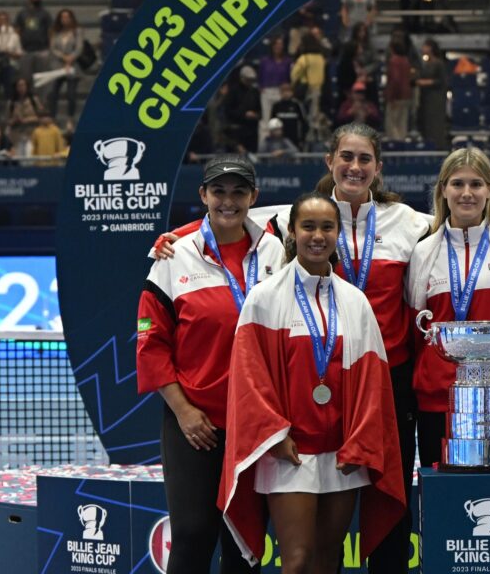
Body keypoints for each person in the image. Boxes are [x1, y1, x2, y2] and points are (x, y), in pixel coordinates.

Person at [152, 123, 431, 574]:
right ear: (330, 162)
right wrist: (175, 240)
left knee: (349, 545)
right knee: (270, 550)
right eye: (346, 157)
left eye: (364, 159)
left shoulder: (413, 224)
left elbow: (467, 218)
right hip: (292, 419)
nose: (354, 167)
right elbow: (228, 216)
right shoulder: (282, 221)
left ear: (378, 167)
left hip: (372, 399)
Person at [219, 191, 406, 573]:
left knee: (326, 560)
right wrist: (274, 435)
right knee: (298, 560)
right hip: (288, 452)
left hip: (343, 454)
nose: (317, 235)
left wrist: (359, 442)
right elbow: (248, 378)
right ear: (292, 231)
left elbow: (374, 385)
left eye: (326, 227)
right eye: (308, 226)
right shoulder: (265, 298)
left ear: (338, 233)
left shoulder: (355, 302)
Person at [136, 155, 285, 574]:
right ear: (203, 195)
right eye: (218, 191)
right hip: (195, 422)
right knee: (192, 532)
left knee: (244, 542)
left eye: (239, 192)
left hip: (255, 423)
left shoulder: (277, 250)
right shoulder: (172, 257)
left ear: (254, 197)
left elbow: (322, 217)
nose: (228, 201)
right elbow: (152, 344)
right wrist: (183, 412)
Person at [406, 147, 490, 469]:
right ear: (443, 190)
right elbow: (417, 332)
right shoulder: (423, 253)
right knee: (444, 501)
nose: (466, 193)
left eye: (476, 184)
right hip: (438, 401)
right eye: (457, 184)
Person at [47, 8, 81, 118]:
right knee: (53, 93)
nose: (65, 19)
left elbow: (79, 48)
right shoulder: (55, 32)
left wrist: (71, 58)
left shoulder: (77, 31)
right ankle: (53, 117)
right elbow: (53, 48)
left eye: (67, 17)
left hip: (73, 66)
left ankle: (70, 119)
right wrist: (64, 57)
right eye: (62, 17)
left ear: (71, 18)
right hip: (58, 66)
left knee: (71, 95)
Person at [416, 38, 447, 149]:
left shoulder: (438, 63)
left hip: (436, 98)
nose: (423, 48)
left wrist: (426, 82)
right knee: (426, 124)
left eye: (425, 46)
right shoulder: (425, 63)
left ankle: (438, 147)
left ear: (430, 48)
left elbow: (442, 81)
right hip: (426, 98)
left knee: (435, 125)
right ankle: (427, 146)